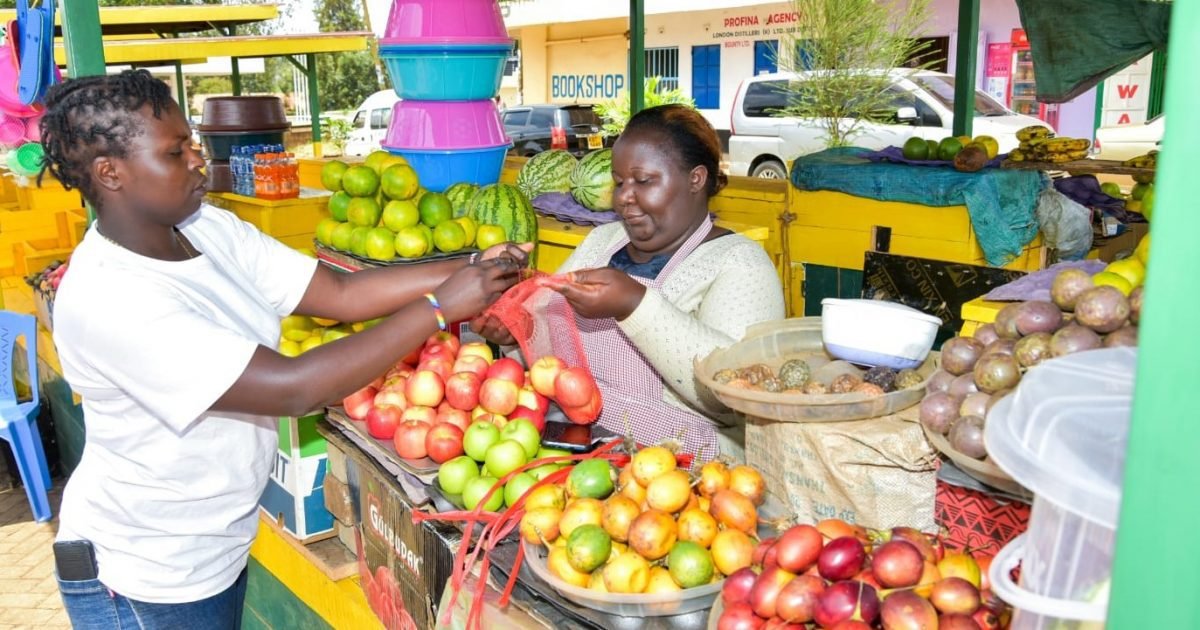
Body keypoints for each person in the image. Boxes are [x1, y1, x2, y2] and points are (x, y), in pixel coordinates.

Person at [41, 70, 527, 628]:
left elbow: (340, 292)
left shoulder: (205, 228)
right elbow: (293, 387)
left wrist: (471, 270)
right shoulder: (112, 298)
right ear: (110, 173)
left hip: (211, 549)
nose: (199, 160)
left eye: (193, 143)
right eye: (176, 152)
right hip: (143, 576)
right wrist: (439, 308)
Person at [473, 104, 784, 460]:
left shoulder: (739, 263)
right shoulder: (602, 242)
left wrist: (636, 305)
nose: (624, 198)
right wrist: (515, 332)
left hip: (681, 474)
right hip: (576, 449)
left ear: (696, 179)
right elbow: (551, 348)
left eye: (643, 181)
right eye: (619, 183)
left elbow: (732, 395)